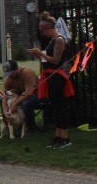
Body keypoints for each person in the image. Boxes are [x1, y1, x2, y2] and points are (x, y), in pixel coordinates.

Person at [28, 12, 75, 149]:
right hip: (50, 75)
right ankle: (58, 136)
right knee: (55, 106)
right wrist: (41, 55)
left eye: (43, 31)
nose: (42, 34)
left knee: (59, 107)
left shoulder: (59, 40)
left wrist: (40, 53)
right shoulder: (52, 41)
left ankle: (65, 138)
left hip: (57, 76)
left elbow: (55, 61)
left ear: (48, 28)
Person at [1, 60, 40, 133]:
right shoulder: (8, 78)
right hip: (22, 96)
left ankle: (32, 128)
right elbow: (5, 95)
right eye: (7, 74)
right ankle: (10, 125)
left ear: (17, 69)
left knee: (26, 103)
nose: (9, 76)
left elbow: (29, 92)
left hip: (36, 95)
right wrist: (5, 111)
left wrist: (15, 103)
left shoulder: (27, 73)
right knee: (1, 100)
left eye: (11, 73)